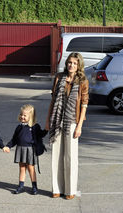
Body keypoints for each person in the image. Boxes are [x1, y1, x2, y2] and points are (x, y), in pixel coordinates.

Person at [45, 52, 89, 200]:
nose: (71, 65)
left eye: (75, 63)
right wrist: (48, 119)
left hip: (72, 121)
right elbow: (53, 100)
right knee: (56, 156)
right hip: (57, 120)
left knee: (70, 157)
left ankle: (70, 190)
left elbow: (84, 105)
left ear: (79, 65)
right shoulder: (59, 77)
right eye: (70, 62)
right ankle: (57, 188)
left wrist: (80, 125)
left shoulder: (82, 81)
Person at [6, 104, 48, 195]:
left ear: (31, 116)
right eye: (21, 114)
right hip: (20, 149)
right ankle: (21, 186)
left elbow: (41, 134)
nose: (22, 117)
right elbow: (14, 139)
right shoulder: (19, 127)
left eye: (25, 115)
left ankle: (34, 186)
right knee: (22, 168)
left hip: (30, 150)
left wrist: (46, 129)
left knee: (31, 168)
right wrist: (8, 146)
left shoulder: (34, 126)